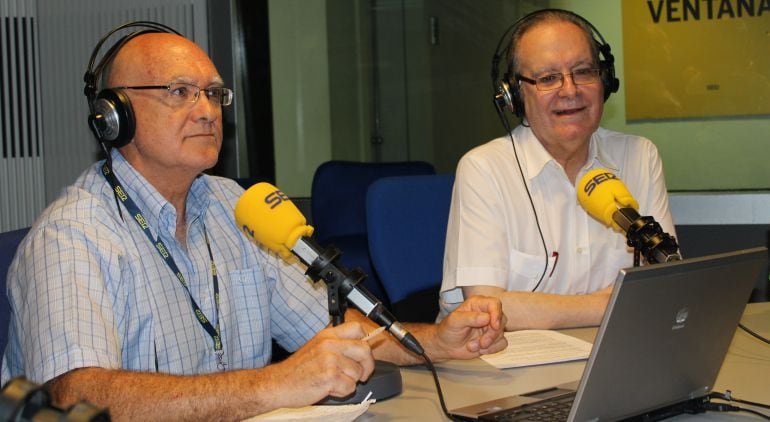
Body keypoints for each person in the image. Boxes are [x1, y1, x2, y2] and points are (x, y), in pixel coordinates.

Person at [1, 24, 507, 421]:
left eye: (215, 94)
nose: (207, 111)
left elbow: (328, 327)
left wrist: (434, 343)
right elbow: (73, 395)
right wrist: (276, 384)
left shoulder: (234, 206)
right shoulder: (71, 236)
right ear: (115, 114)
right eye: (180, 92)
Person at [438, 9, 676, 331]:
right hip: (506, 369)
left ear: (604, 81)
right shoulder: (485, 170)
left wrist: (537, 307)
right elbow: (485, 311)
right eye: (548, 78)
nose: (570, 90)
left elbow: (666, 281)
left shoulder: (639, 157)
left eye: (583, 71)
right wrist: (604, 306)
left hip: (612, 356)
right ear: (515, 95)